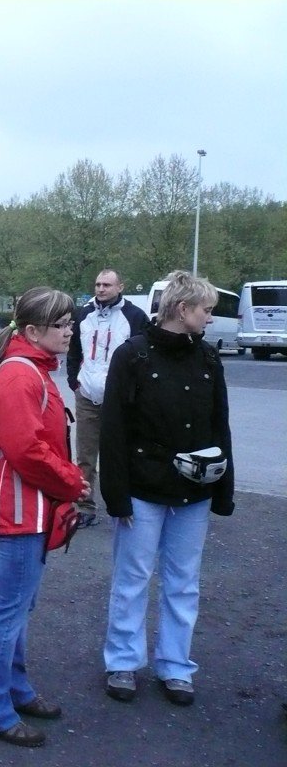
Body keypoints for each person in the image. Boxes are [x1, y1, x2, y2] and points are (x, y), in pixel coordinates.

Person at [99, 270, 234, 707]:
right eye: (206, 310)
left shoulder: (208, 357)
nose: (210, 318)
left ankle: (176, 666)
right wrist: (116, 495)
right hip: (142, 490)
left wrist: (224, 490)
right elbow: (113, 431)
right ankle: (123, 662)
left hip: (194, 492)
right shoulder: (133, 355)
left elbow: (220, 424)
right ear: (182, 308)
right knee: (132, 579)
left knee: (183, 582)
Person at [0, 287, 91, 748]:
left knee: (19, 607)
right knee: (8, 611)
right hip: (20, 506)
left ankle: (15, 689)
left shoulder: (32, 367)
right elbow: (25, 450)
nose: (70, 331)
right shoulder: (21, 374)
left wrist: (65, 482)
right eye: (61, 324)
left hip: (30, 505)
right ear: (33, 331)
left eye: (70, 323)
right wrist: (72, 481)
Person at [66, 269, 148, 528]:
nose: (101, 289)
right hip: (87, 395)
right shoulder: (83, 314)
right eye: (98, 284)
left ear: (120, 287)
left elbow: (145, 356)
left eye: (107, 285)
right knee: (85, 456)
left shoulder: (135, 316)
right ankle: (85, 507)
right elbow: (73, 350)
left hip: (120, 400)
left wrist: (134, 391)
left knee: (121, 454)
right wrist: (74, 382)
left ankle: (125, 505)